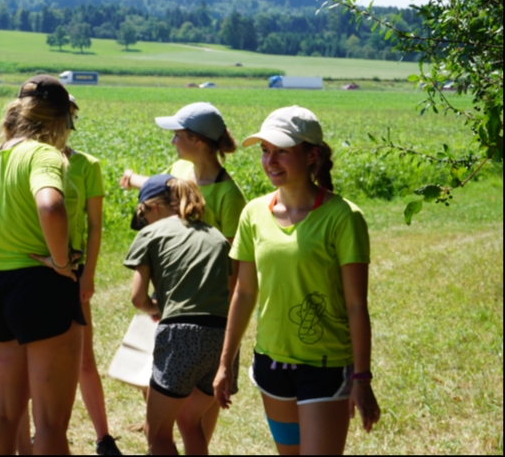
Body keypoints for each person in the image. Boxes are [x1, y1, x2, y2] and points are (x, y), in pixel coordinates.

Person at [213, 106, 381, 455]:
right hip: (271, 365)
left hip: (325, 366)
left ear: (312, 155)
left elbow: (356, 305)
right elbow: (244, 293)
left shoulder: (343, 218)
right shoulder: (253, 213)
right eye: (265, 151)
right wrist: (225, 363)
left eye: (282, 151)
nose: (270, 161)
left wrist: (362, 378)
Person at [0, 75, 85, 455]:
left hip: (0, 288)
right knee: (50, 422)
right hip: (44, 287)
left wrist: (8, 242)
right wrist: (60, 261)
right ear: (61, 118)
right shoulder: (44, 155)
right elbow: (50, 206)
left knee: (3, 411)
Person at [120, 101, 246, 441]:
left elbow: (231, 268)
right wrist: (134, 181)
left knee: (198, 407)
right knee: (146, 370)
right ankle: (160, 428)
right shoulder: (181, 169)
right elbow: (162, 188)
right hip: (168, 292)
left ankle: (184, 436)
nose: (172, 140)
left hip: (204, 304)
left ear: (198, 141)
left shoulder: (230, 197)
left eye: (178, 135)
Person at [124, 174, 238, 455]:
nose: (145, 223)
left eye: (144, 216)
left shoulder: (151, 234)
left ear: (154, 208)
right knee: (189, 420)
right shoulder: (217, 238)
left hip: (180, 338)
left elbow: (138, 299)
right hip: (221, 339)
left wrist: (157, 309)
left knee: (157, 432)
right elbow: (229, 290)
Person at [65, 95, 122, 456]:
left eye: (71, 117)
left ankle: (103, 437)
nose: (68, 124)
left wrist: (89, 274)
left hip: (73, 271)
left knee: (85, 359)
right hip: (31, 271)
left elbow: (95, 225)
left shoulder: (86, 165)